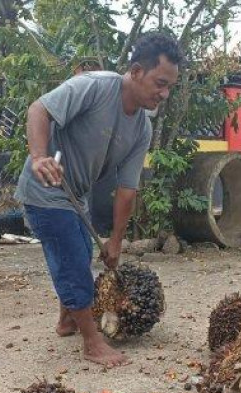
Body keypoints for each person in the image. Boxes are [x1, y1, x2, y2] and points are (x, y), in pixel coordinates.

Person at [15, 33, 182, 367]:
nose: (164, 94)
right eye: (159, 83)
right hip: (45, 189)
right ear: (136, 72)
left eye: (169, 88)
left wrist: (116, 241)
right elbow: (39, 109)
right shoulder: (93, 86)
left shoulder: (142, 130)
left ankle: (67, 321)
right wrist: (38, 157)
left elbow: (127, 189)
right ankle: (92, 341)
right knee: (73, 259)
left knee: (83, 252)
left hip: (77, 195)